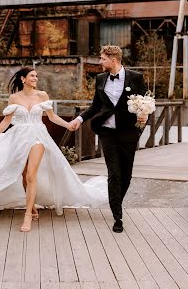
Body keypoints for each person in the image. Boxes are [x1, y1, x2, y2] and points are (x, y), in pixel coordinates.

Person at [0, 66, 109, 232]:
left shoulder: (42, 95)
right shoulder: (14, 98)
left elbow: (51, 117)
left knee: (31, 175)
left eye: (36, 76)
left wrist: (68, 124)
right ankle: (31, 206)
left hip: (38, 136)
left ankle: (27, 215)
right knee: (24, 174)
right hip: (19, 137)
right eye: (32, 76)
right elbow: (5, 121)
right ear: (23, 79)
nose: (35, 78)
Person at [68, 45, 147, 233]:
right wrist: (79, 119)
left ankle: (116, 202)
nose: (100, 62)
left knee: (126, 175)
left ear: (113, 60)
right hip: (107, 132)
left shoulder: (136, 77)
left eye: (102, 59)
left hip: (128, 132)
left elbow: (145, 104)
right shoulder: (101, 79)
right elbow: (96, 106)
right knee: (114, 173)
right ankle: (117, 216)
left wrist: (143, 119)